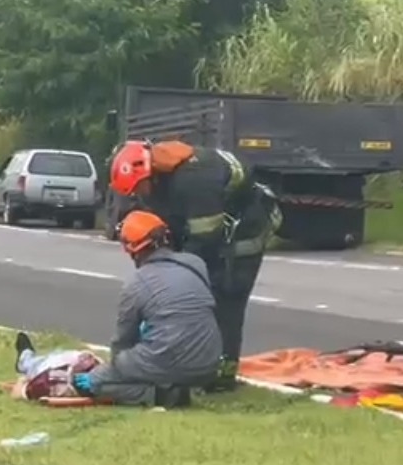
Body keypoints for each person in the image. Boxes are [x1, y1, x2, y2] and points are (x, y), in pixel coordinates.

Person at [109, 139, 281, 391]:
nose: (139, 194)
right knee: (196, 289)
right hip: (212, 228)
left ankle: (224, 374)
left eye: (140, 187)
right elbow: (172, 229)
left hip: (246, 230)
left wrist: (175, 273)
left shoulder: (195, 180)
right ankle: (199, 363)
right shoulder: (158, 182)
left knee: (227, 296)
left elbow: (203, 239)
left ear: (150, 172)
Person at [66, 210, 224, 408]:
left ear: (134, 250)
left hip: (169, 360)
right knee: (145, 361)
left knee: (102, 381)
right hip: (209, 363)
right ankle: (173, 385)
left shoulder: (136, 284)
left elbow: (122, 343)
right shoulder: (196, 264)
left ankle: (162, 396)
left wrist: (100, 375)